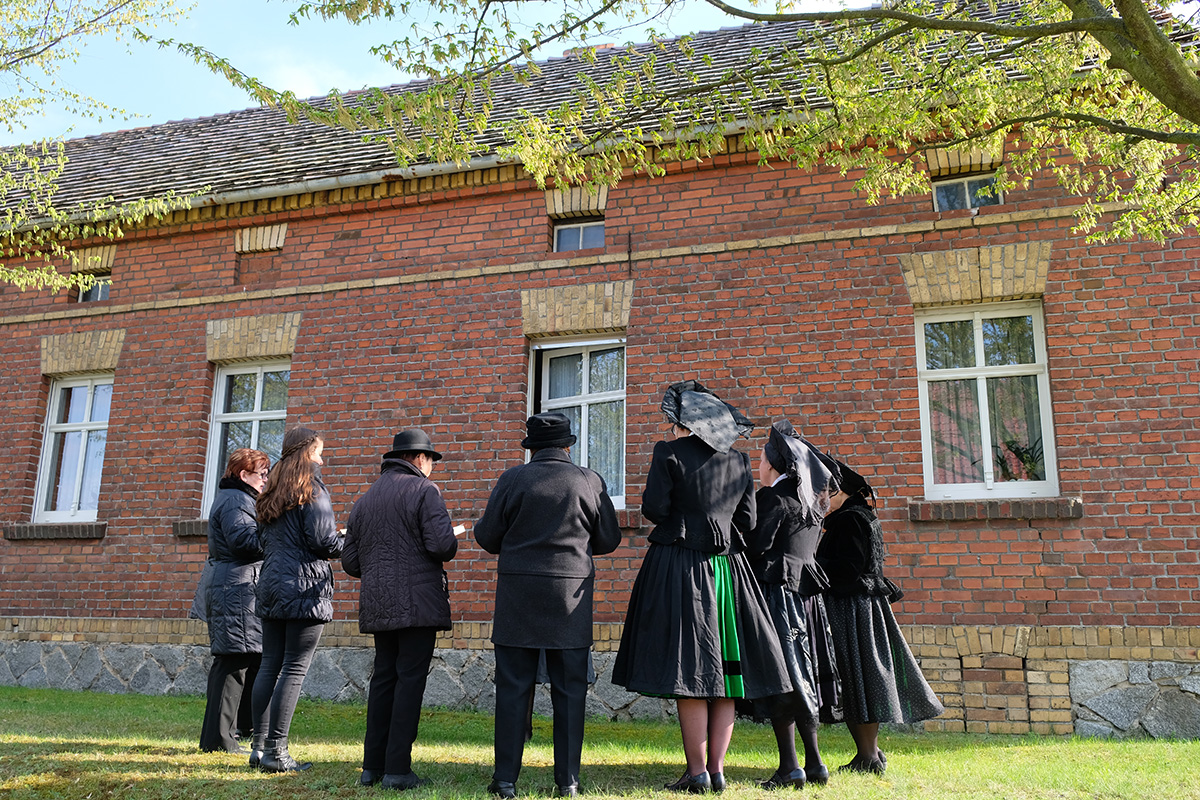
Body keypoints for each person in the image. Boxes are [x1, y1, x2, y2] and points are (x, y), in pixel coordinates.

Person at [613, 381, 791, 794]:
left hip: (680, 566)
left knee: (690, 669)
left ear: (686, 424)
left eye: (673, 421)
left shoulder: (668, 452)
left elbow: (654, 509)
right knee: (727, 673)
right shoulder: (739, 460)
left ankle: (696, 774)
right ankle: (718, 771)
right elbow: (746, 522)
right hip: (728, 571)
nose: (669, 426)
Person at [474, 412, 622, 799]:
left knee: (512, 689)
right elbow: (608, 539)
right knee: (571, 691)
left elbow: (488, 538)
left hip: (518, 596)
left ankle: (504, 780)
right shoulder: (589, 481)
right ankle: (568, 781)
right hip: (570, 599)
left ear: (532, 446)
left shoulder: (513, 479)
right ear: (568, 445)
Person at [342, 429, 459, 791]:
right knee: (409, 682)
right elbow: (442, 546)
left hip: (378, 603)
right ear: (419, 459)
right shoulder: (425, 492)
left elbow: (350, 562)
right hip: (417, 604)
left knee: (384, 680)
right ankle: (397, 769)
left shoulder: (365, 499)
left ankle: (371, 767)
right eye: (431, 461)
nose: (432, 468)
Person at [815, 460, 944, 775]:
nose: (820, 497)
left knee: (858, 679)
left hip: (853, 609)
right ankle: (868, 753)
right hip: (862, 606)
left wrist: (815, 566)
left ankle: (869, 756)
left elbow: (849, 568)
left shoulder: (849, 521)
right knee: (859, 679)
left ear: (840, 491)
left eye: (824, 490)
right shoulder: (857, 517)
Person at [744, 422, 842, 789]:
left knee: (782, 678)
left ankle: (790, 767)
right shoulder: (813, 502)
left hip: (780, 596)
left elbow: (756, 547)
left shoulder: (774, 497)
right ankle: (814, 763)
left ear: (773, 465)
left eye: (762, 460)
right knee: (805, 677)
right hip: (807, 599)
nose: (759, 466)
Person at [250, 426, 344, 773]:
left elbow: (264, 539)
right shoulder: (311, 488)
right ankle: (277, 751)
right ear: (307, 451)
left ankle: (259, 748)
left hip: (272, 582)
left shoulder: (270, 488)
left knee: (270, 664)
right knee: (293, 667)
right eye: (319, 451)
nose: (322, 457)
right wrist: (347, 542)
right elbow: (323, 541)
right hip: (303, 587)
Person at [198, 447, 270, 754]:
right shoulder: (235, 500)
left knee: (249, 658)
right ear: (244, 475)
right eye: (262, 474)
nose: (266, 480)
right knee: (233, 662)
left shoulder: (239, 499)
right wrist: (277, 533)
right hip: (235, 590)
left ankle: (238, 730)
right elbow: (244, 542)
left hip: (238, 588)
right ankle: (219, 740)